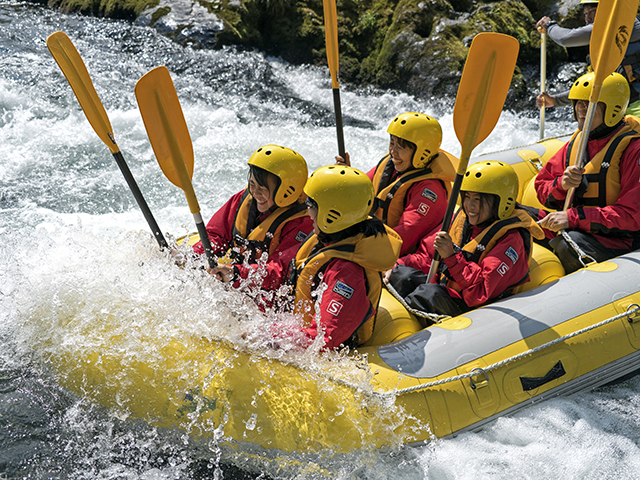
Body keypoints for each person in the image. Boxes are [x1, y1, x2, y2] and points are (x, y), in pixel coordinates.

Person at [211, 165, 403, 349]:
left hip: (326, 352)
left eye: (311, 204)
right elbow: (281, 273)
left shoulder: (346, 273)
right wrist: (236, 274)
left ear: (332, 214)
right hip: (293, 322)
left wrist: (268, 333)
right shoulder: (326, 238)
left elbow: (324, 338)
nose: (307, 210)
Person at [388, 161, 544, 317]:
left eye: (478, 199)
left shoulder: (511, 241)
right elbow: (426, 256)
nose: (469, 205)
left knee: (429, 294)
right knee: (401, 274)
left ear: (501, 201)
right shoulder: (462, 219)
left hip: (477, 308)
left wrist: (451, 256)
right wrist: (397, 264)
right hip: (448, 289)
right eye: (467, 197)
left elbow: (481, 291)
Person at [535, 71, 640, 274]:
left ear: (612, 108)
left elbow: (632, 217)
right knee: (518, 217)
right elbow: (541, 187)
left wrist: (573, 217)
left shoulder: (633, 149)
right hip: (581, 225)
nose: (581, 108)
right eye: (578, 102)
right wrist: (561, 186)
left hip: (620, 240)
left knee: (568, 244)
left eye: (589, 103)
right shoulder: (578, 142)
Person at [336, 112, 457, 256]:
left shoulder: (430, 190)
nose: (393, 151)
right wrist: (345, 175)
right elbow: (358, 193)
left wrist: (356, 247)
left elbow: (403, 237)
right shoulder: (393, 165)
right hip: (377, 238)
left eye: (401, 147)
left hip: (400, 256)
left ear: (422, 152)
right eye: (392, 143)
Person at [192, 145, 313, 277]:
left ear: (287, 191)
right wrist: (193, 256)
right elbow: (215, 236)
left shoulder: (303, 222)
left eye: (263, 188)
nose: (255, 193)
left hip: (265, 288)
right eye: (252, 184)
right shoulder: (244, 199)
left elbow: (279, 270)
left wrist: (236, 274)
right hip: (240, 276)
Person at [536, 0, 640, 115]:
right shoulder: (605, 42)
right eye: (585, 13)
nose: (588, 18)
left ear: (609, 9)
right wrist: (556, 100)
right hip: (622, 107)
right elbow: (596, 84)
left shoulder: (625, 23)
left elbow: (565, 39)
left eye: (592, 11)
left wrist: (550, 25)